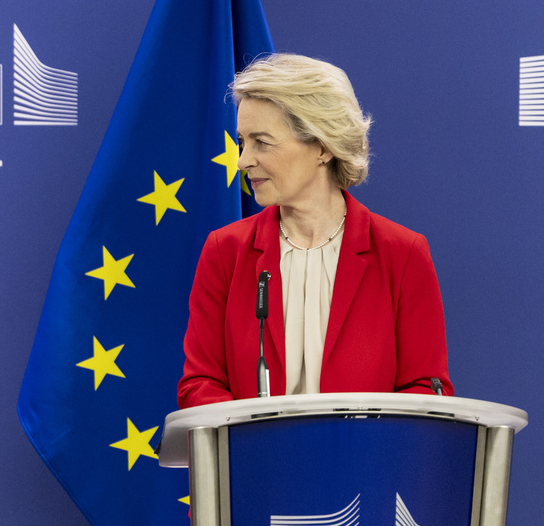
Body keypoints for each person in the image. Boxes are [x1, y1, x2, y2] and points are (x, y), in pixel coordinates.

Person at [178, 54, 451, 408]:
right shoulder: (225, 251)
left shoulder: (402, 253)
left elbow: (426, 390)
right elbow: (200, 384)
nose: (243, 160)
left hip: (363, 461)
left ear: (322, 147)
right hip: (254, 461)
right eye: (243, 141)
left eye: (262, 142)